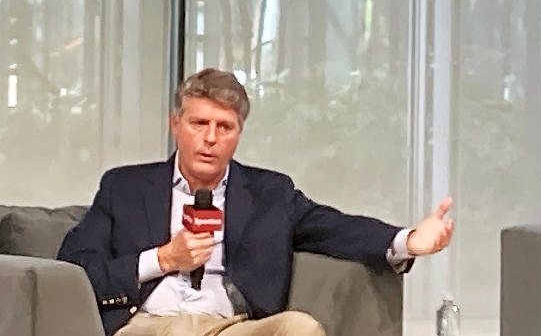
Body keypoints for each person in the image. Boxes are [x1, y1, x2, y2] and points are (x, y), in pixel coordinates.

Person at [59, 68, 455, 336]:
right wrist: (163, 259)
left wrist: (408, 240)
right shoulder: (124, 188)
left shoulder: (270, 193)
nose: (210, 138)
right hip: (149, 325)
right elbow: (76, 268)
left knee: (299, 328)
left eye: (224, 127)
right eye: (199, 124)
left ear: (238, 133)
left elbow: (334, 227)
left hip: (230, 327)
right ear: (175, 124)